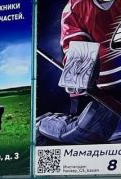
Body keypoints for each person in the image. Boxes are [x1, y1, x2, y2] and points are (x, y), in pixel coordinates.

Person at [36, 0, 121, 144]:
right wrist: (79, 76)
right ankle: (41, 124)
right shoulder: (75, 8)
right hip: (103, 94)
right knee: (84, 133)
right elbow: (78, 66)